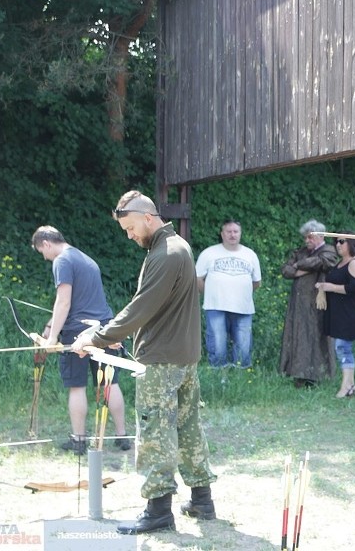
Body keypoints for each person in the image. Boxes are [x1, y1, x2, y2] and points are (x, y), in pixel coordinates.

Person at [70, 191, 217, 535]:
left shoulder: (166, 253)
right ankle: (202, 499)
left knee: (154, 432)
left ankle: (158, 510)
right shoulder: (175, 246)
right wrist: (119, 333)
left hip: (163, 360)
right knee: (188, 426)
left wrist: (97, 337)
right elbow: (154, 309)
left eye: (131, 227)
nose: (130, 235)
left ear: (148, 218)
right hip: (183, 356)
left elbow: (141, 306)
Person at [30, 226, 131, 455]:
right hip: (104, 329)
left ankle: (78, 440)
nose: (45, 257)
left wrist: (53, 338)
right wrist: (50, 325)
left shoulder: (62, 261)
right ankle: (122, 436)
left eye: (41, 252)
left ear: (46, 243)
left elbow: (64, 302)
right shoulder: (85, 258)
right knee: (109, 383)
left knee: (77, 386)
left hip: (77, 334)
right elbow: (76, 301)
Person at [196, 219, 262, 375]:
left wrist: (240, 293)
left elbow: (257, 282)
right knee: (217, 346)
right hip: (215, 307)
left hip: (243, 308)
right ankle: (219, 378)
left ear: (240, 233)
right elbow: (197, 279)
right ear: (222, 234)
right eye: (229, 231)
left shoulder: (250, 254)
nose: (232, 235)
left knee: (243, 348)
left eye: (236, 231)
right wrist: (211, 293)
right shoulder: (209, 253)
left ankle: (239, 380)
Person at [280, 220, 338, 387]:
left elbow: (323, 262)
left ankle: (317, 376)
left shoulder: (329, 250)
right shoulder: (302, 251)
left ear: (320, 236)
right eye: (306, 238)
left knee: (316, 337)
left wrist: (298, 266)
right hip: (298, 304)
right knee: (299, 336)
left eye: (310, 238)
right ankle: (298, 374)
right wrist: (301, 268)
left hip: (318, 303)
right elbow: (286, 270)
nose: (307, 241)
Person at [317, 234, 355, 398]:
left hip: (350, 315)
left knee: (342, 348)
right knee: (343, 348)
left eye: (341, 241)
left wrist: (330, 286)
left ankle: (345, 386)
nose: (337, 244)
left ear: (351, 243)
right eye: (336, 241)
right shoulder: (340, 263)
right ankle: (350, 385)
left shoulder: (354, 263)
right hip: (340, 315)